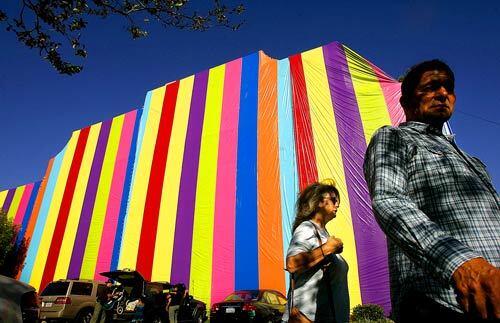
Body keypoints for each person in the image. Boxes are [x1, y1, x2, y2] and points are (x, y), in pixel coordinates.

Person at [363, 59, 500, 322]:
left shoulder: (475, 162)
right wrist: (460, 264)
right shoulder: (394, 138)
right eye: (431, 87)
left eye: (448, 87)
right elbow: (389, 200)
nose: (442, 93)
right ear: (405, 103)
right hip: (440, 301)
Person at [283, 181, 350, 323]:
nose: (337, 204)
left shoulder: (323, 233)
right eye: (333, 200)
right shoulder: (307, 227)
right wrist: (328, 248)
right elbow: (292, 264)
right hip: (308, 317)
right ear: (319, 203)